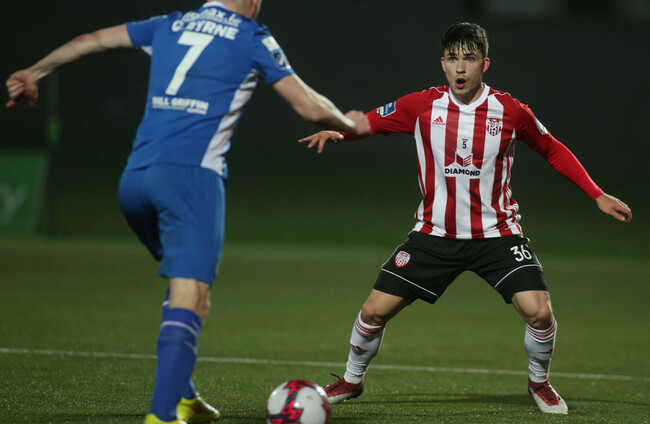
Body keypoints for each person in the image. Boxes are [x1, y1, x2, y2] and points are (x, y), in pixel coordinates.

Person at [6, 1, 366, 423]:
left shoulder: (170, 24)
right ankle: (163, 415)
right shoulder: (251, 37)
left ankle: (186, 397)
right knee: (191, 295)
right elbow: (309, 106)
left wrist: (34, 72)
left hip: (135, 179)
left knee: (188, 287)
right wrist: (349, 124)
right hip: (190, 180)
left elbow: (91, 41)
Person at [299, 22, 632, 415]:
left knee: (540, 312)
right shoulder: (421, 105)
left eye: (469, 59)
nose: (460, 67)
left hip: (497, 236)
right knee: (373, 311)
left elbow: (552, 148)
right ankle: (352, 381)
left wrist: (596, 194)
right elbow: (370, 122)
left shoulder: (510, 111)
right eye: (452, 59)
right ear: (442, 63)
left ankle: (539, 383)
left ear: (484, 64)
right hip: (434, 235)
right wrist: (341, 132)